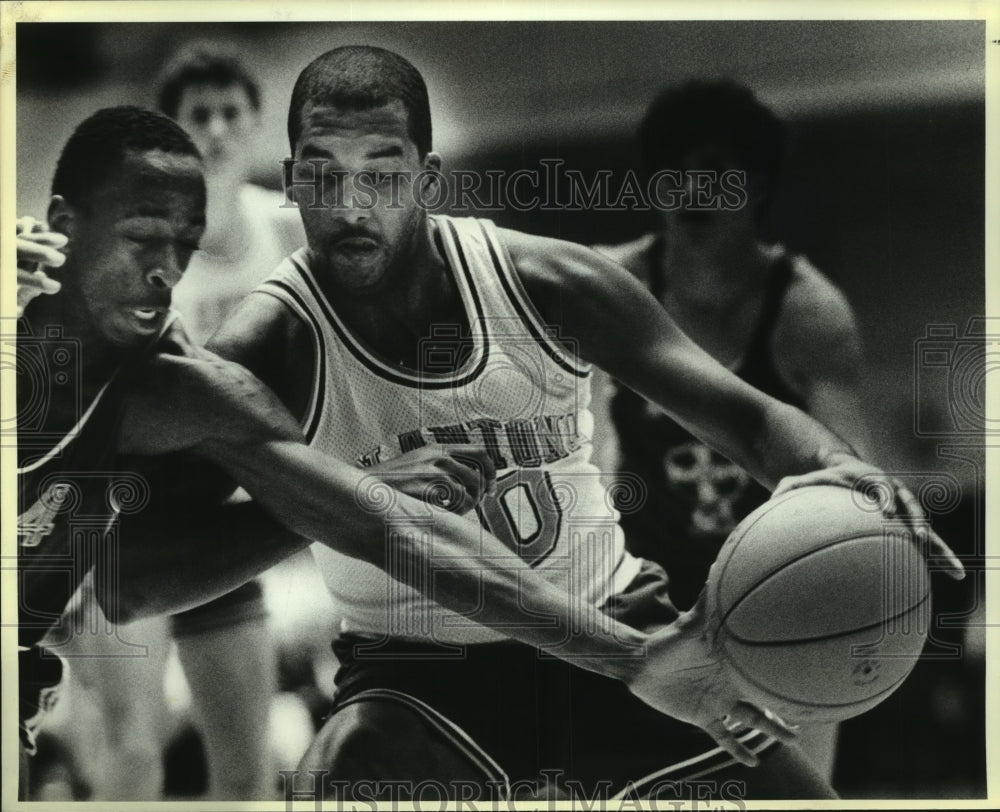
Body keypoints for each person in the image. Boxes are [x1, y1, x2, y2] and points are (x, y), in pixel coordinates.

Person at [147, 46, 960, 801]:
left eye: (381, 173)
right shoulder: (269, 344)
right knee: (334, 777)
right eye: (322, 175)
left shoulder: (547, 281)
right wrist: (329, 500)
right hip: (422, 680)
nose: (350, 204)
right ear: (290, 180)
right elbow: (145, 572)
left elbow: (748, 419)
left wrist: (836, 463)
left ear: (428, 179)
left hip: (616, 629)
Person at [15, 105, 830, 801]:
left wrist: (632, 656)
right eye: (140, 238)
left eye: (184, 245)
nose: (165, 273)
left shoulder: (177, 388)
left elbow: (395, 532)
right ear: (60, 226)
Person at [592, 79, 874, 779]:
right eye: (674, 175)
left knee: (796, 794)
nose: (692, 193)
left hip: (783, 599)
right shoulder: (611, 286)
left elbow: (849, 478)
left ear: (757, 188)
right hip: (651, 597)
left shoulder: (808, 312)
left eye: (715, 175)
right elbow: (585, 450)